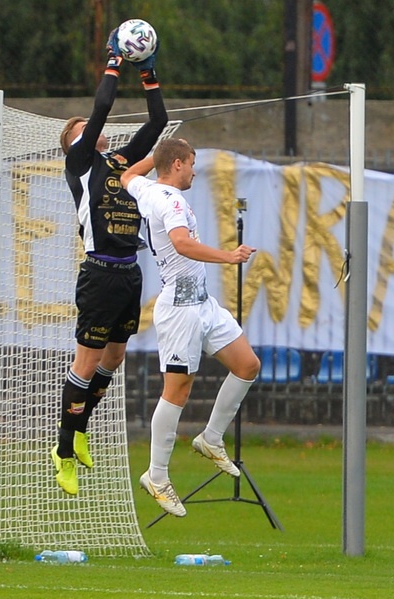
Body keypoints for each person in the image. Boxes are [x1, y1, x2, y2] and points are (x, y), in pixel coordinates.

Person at [51, 31, 168, 496]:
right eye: (81, 129)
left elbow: (157, 120)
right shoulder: (80, 163)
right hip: (99, 272)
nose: (92, 129)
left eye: (89, 128)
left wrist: (148, 70)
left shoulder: (121, 161)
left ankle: (80, 429)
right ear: (74, 144)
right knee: (86, 360)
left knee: (115, 357)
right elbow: (100, 108)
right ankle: (62, 450)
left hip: (129, 271)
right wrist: (114, 63)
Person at [120, 138, 260, 517]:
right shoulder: (173, 201)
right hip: (180, 310)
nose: (195, 171)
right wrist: (229, 256)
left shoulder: (148, 189)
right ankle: (157, 475)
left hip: (202, 303)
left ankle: (211, 438)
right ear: (179, 164)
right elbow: (181, 244)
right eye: (192, 163)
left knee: (247, 365)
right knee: (178, 390)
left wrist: (159, 154)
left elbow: (128, 174)